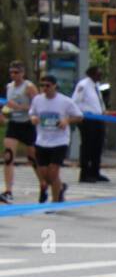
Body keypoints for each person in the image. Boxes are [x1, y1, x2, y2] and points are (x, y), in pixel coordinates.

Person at [29, 74, 83, 204]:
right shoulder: (37, 100)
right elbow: (32, 114)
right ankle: (61, 187)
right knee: (44, 174)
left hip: (59, 141)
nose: (44, 88)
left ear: (54, 86)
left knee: (53, 173)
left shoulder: (65, 101)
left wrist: (66, 120)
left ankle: (55, 201)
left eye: (47, 86)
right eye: (42, 86)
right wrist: (33, 119)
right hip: (42, 140)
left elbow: (79, 116)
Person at [2, 61, 40, 203]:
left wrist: (18, 106)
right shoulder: (9, 87)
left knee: (33, 158)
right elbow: (8, 105)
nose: (13, 75)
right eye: (11, 72)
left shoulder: (28, 87)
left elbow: (37, 106)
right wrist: (5, 111)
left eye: (16, 72)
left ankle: (44, 183)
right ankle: (8, 190)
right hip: (14, 124)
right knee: (8, 157)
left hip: (27, 124)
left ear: (22, 73)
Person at [72, 65, 109, 183]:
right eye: (98, 73)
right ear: (92, 74)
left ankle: (95, 172)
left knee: (97, 146)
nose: (100, 76)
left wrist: (103, 111)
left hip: (98, 119)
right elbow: (75, 102)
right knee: (87, 147)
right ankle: (85, 174)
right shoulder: (83, 85)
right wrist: (80, 116)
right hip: (87, 120)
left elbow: (99, 102)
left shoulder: (96, 86)